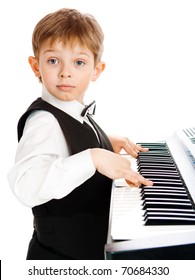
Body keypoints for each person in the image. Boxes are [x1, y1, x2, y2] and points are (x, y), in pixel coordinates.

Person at [8, 8, 153, 260]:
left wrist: (104, 142)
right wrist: (93, 157)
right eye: (53, 61)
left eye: (79, 62)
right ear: (36, 66)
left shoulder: (72, 112)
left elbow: (68, 141)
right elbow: (26, 185)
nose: (66, 72)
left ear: (96, 70)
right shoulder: (43, 120)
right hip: (60, 259)